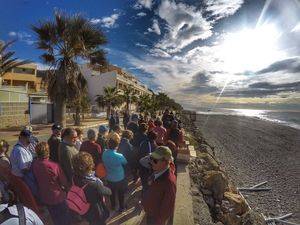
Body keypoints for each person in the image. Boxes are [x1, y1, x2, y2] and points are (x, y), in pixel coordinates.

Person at [32, 142, 71, 225]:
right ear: (48, 152)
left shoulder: (34, 164)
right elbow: (64, 182)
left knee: (55, 217)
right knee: (65, 217)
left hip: (45, 196)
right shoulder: (54, 166)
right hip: (58, 196)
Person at [140, 146, 177, 225]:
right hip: (150, 212)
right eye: (151, 158)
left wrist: (159, 222)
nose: (151, 162)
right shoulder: (158, 171)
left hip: (155, 219)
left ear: (165, 162)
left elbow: (167, 208)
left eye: (155, 160)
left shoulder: (169, 182)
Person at [72, 152, 112, 225]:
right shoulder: (95, 183)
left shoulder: (74, 177)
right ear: (90, 165)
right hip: (97, 210)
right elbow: (108, 192)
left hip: (85, 210)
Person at [102, 137, 128, 212]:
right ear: (117, 145)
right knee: (121, 194)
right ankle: (122, 207)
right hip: (119, 178)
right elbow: (125, 162)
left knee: (112, 193)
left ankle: (113, 206)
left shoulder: (104, 153)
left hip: (109, 177)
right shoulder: (119, 155)